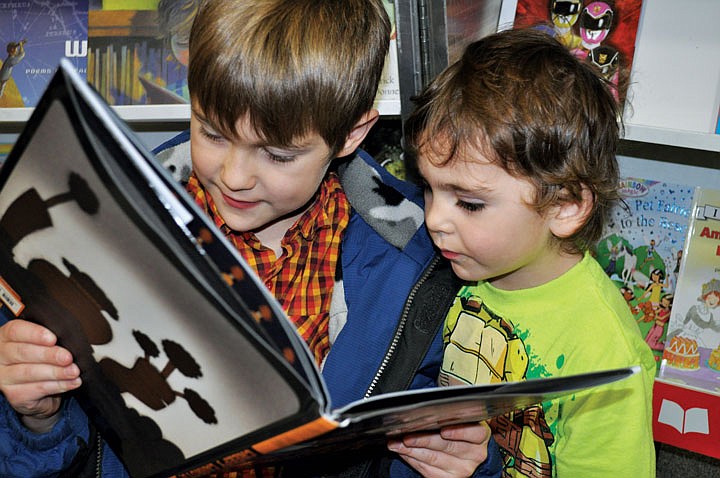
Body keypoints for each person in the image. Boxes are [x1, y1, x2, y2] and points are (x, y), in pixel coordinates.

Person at [0, 1, 501, 477]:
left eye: (278, 155)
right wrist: (37, 418)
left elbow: (408, 440)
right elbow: (56, 446)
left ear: (351, 134)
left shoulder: (415, 258)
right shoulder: (105, 216)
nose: (234, 177)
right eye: (212, 133)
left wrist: (459, 462)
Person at [401, 27, 656, 476]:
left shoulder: (605, 353)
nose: (434, 219)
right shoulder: (454, 262)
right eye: (429, 188)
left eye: (469, 203)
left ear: (565, 206)